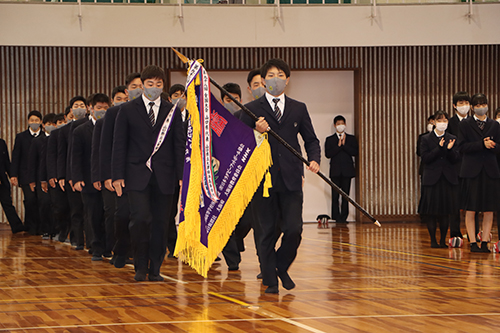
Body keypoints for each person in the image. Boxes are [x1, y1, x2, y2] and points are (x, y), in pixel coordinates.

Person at [240, 58, 321, 294]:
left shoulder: (298, 108)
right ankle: (270, 280)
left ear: (287, 79)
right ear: (263, 81)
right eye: (271, 75)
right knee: (265, 232)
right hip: (261, 180)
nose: (276, 79)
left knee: (294, 228)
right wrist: (255, 130)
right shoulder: (251, 110)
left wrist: (314, 158)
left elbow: (311, 139)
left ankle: (280, 265)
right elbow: (239, 142)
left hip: (291, 178)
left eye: (280, 74)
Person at [112, 65, 185, 281]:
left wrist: (181, 175)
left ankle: (156, 268)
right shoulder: (127, 110)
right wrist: (117, 175)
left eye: (159, 84)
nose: (154, 88)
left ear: (164, 86)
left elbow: (179, 145)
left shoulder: (171, 110)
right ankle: (140, 266)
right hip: (136, 176)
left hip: (165, 177)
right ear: (142, 85)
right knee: (141, 219)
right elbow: (119, 144)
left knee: (162, 223)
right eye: (150, 84)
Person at [100, 73, 143, 268]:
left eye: (143, 85)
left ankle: (137, 253)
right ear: (127, 91)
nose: (140, 89)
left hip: (142, 174)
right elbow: (106, 146)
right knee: (122, 214)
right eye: (135, 86)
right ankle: (121, 249)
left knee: (141, 216)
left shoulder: (152, 112)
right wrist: (108, 175)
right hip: (121, 173)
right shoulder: (114, 113)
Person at [459, 93, 500, 252]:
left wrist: (493, 145)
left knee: (489, 209)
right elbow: (462, 147)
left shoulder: (495, 125)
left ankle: (484, 242)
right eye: (478, 104)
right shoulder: (465, 124)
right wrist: (481, 144)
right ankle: (473, 242)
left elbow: (499, 147)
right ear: (472, 107)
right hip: (471, 171)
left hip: (490, 171)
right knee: (471, 208)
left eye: (484, 104)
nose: (481, 107)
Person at [73, 93, 111, 261]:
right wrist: (77, 178)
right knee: (93, 214)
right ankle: (96, 247)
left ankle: (108, 246)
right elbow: (76, 157)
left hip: (108, 179)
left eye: (105, 108)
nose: (102, 111)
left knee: (108, 214)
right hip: (88, 180)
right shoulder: (80, 130)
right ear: (91, 108)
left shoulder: (112, 127)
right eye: (99, 108)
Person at [418, 110, 460, 248]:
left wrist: (448, 150)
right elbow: (425, 158)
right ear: (434, 122)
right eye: (439, 120)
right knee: (432, 212)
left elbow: (456, 159)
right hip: (431, 179)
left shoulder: (452, 137)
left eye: (445, 120)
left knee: (445, 212)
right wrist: (439, 148)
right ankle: (433, 240)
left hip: (447, 179)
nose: (442, 123)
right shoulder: (425, 138)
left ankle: (442, 240)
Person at [58, 96, 89, 250]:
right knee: (76, 209)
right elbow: (67, 155)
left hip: (90, 173)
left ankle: (90, 240)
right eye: (76, 105)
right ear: (71, 110)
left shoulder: (92, 125)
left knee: (89, 210)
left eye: (82, 105)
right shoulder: (65, 130)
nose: (79, 107)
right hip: (73, 174)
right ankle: (77, 240)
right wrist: (67, 176)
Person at [447, 91, 479, 241]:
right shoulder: (450, 123)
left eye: (466, 103)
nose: (464, 106)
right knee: (454, 202)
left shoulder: (475, 122)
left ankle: (475, 233)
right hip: (455, 167)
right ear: (454, 106)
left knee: (474, 201)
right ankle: (455, 233)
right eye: (460, 103)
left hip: (473, 168)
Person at [11, 110, 43, 235]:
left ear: (41, 122)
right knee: (30, 200)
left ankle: (42, 226)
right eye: (32, 120)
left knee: (41, 200)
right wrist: (13, 175)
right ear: (28, 122)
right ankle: (30, 226)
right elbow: (16, 156)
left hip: (41, 175)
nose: (34, 123)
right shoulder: (21, 137)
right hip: (25, 175)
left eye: (36, 120)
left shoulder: (44, 136)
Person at [324, 115, 358, 224]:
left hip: (347, 171)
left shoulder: (351, 138)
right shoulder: (330, 139)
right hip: (335, 171)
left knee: (345, 196)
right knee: (335, 196)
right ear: (334, 125)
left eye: (342, 123)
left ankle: (344, 218)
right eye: (338, 124)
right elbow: (328, 154)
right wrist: (338, 146)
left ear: (345, 124)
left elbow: (355, 152)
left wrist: (344, 145)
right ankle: (336, 217)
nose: (340, 126)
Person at [27, 113, 57, 238]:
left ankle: (56, 230)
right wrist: (32, 180)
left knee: (56, 205)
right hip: (41, 178)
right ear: (43, 125)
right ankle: (45, 229)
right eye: (48, 124)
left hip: (56, 176)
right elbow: (32, 162)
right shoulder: (37, 141)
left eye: (53, 124)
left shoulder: (59, 138)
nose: (50, 126)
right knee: (44, 204)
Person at [47, 110, 71, 242]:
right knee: (60, 207)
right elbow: (51, 156)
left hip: (72, 174)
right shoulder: (55, 134)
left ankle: (72, 234)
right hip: (58, 175)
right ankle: (62, 230)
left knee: (73, 207)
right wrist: (52, 175)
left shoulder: (78, 129)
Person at [0, 137, 24, 233]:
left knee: (7, 203)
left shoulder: (1, 143)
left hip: (2, 179)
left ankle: (17, 226)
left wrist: (12, 175)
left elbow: (6, 161)